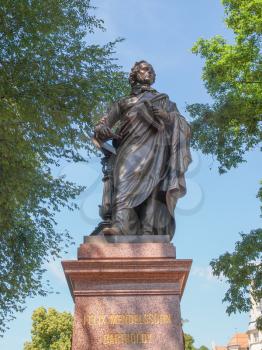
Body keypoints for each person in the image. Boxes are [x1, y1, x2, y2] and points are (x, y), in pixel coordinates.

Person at [94, 60, 191, 240]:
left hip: (157, 149)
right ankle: (121, 226)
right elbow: (102, 126)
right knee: (123, 183)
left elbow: (183, 125)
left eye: (152, 71)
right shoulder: (124, 102)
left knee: (153, 188)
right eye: (145, 70)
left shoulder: (165, 101)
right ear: (135, 75)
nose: (150, 73)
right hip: (128, 148)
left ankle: (149, 230)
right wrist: (102, 130)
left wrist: (167, 116)